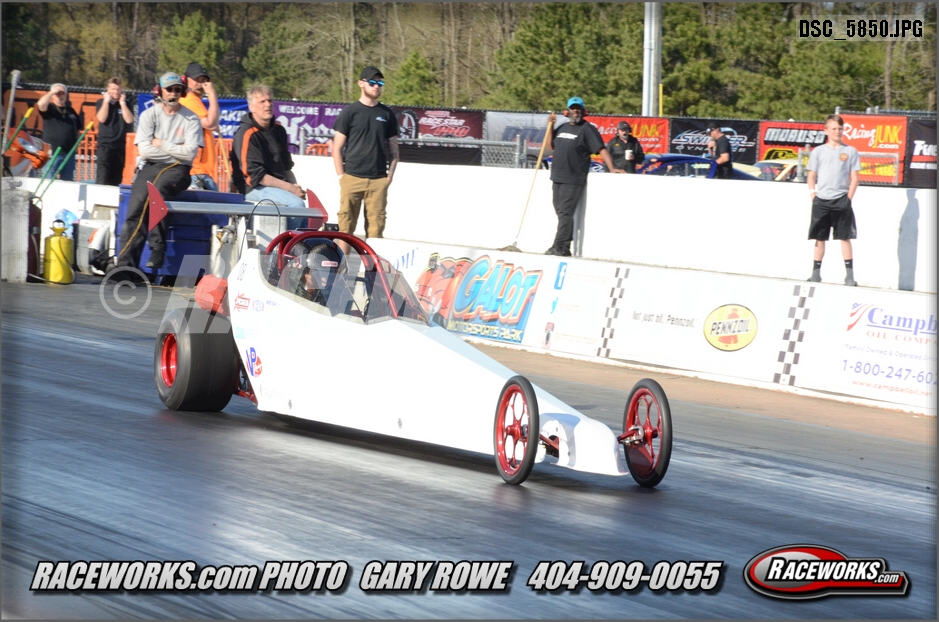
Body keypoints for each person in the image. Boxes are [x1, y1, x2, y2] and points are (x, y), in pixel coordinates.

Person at [116, 72, 202, 271]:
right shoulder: (149, 115)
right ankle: (125, 266)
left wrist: (161, 143)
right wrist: (176, 150)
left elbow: (190, 154)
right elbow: (145, 151)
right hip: (151, 165)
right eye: (169, 89)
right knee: (136, 206)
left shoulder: (191, 118)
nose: (174, 93)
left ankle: (158, 247)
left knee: (159, 191)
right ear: (160, 91)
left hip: (179, 169)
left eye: (178, 89)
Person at [543, 97, 623, 257]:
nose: (575, 111)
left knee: (565, 212)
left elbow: (601, 149)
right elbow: (549, 146)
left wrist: (612, 168)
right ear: (567, 111)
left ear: (583, 111)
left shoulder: (587, 129)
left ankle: (560, 246)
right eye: (573, 108)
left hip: (573, 178)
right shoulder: (562, 127)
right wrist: (550, 127)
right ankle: (565, 244)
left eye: (578, 109)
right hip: (557, 176)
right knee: (560, 212)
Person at [332, 66, 399, 238]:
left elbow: (394, 149)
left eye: (380, 83)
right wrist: (341, 177)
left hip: (378, 180)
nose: (376, 86)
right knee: (345, 228)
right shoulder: (349, 112)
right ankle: (342, 257)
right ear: (361, 83)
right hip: (352, 178)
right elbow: (336, 148)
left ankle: (371, 258)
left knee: (376, 230)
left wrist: (389, 177)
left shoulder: (387, 114)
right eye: (372, 82)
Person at [230, 85, 307, 230]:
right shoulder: (246, 133)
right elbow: (256, 177)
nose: (268, 105)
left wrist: (295, 187)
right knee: (296, 205)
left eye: (270, 101)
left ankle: (297, 244)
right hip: (252, 188)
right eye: (262, 102)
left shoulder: (279, 130)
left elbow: (286, 168)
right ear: (252, 107)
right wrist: (290, 189)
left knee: (304, 214)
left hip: (276, 187)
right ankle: (282, 242)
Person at [806, 113, 861, 286]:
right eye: (834, 128)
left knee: (845, 237)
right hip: (821, 200)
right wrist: (813, 195)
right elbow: (811, 175)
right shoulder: (818, 152)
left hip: (841, 200)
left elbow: (855, 178)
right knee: (819, 238)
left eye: (840, 128)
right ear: (826, 130)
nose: (838, 131)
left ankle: (849, 276)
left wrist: (848, 198)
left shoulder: (850, 151)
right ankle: (815, 274)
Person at [179, 62, 221, 191]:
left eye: (203, 80)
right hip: (197, 172)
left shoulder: (190, 100)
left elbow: (211, 124)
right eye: (196, 79)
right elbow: (211, 123)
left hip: (197, 171)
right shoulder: (190, 100)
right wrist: (212, 94)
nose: (200, 83)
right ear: (186, 80)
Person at [94, 77, 134, 185]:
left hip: (120, 146)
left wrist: (122, 104)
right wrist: (106, 102)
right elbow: (101, 118)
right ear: (108, 90)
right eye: (113, 89)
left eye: (118, 89)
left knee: (116, 180)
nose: (116, 92)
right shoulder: (101, 102)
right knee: (103, 178)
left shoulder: (126, 104)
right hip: (105, 146)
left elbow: (129, 120)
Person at [37, 83, 80, 181]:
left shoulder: (71, 111)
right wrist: (52, 92)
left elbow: (78, 129)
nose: (61, 96)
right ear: (53, 96)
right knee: (49, 180)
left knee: (68, 183)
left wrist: (75, 146)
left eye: (63, 93)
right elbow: (40, 104)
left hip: (68, 154)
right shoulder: (50, 108)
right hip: (52, 153)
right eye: (58, 93)